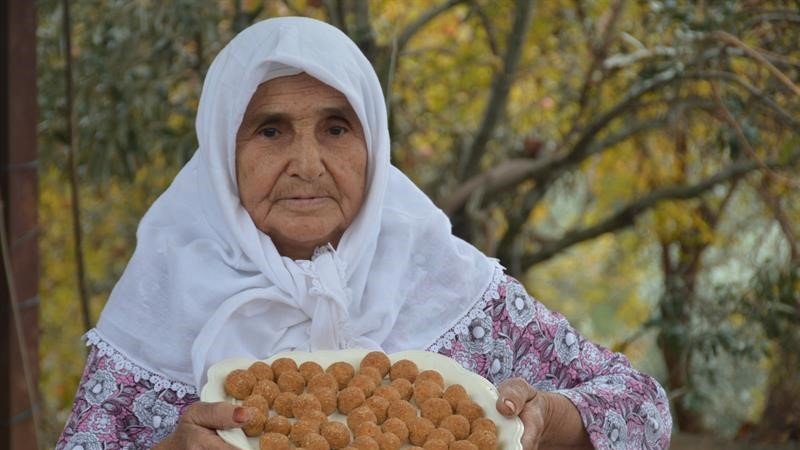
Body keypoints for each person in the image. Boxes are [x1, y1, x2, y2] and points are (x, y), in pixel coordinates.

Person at [56, 16, 671, 450]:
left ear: (372, 144)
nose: (306, 163)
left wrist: (550, 417)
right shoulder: (161, 303)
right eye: (270, 130)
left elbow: (644, 408)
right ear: (223, 152)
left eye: (335, 128)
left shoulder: (451, 285)